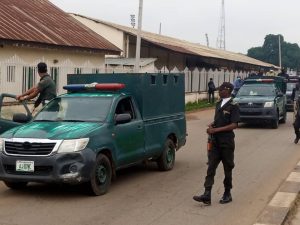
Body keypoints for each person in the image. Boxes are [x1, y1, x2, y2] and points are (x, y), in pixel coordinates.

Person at [193, 82, 240, 205]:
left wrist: (216, 130)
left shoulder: (234, 105)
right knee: (211, 168)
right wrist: (213, 124)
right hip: (215, 142)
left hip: (227, 142)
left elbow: (234, 124)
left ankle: (227, 193)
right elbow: (219, 120)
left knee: (227, 168)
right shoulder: (218, 103)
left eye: (221, 90)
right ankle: (207, 194)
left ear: (228, 90)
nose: (218, 91)